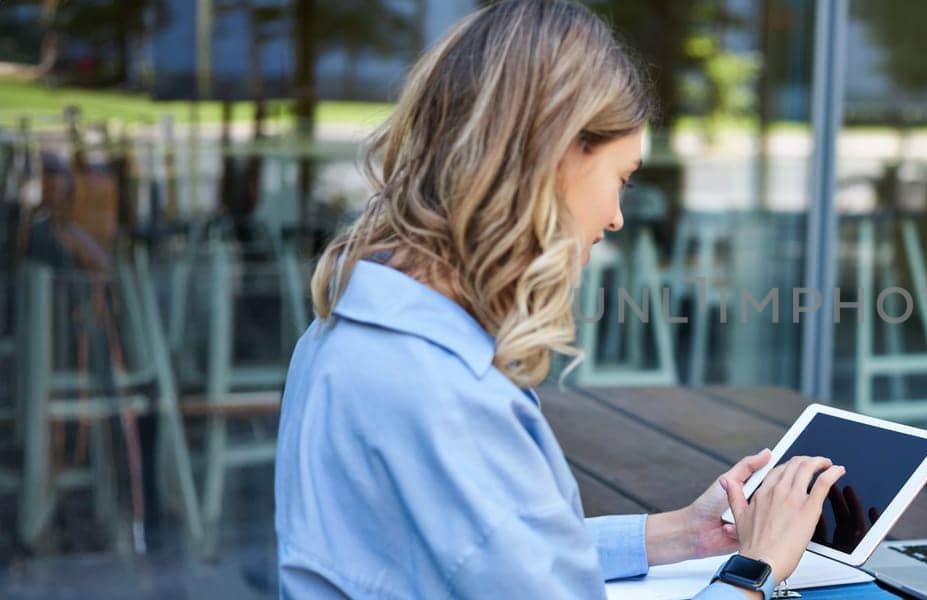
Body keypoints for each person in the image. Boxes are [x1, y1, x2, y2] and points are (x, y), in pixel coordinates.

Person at [273, 1, 840, 597]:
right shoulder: (447, 397)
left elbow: (486, 556)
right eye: (620, 177)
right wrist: (759, 569)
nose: (617, 217)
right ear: (557, 158)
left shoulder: (350, 330)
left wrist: (679, 534)